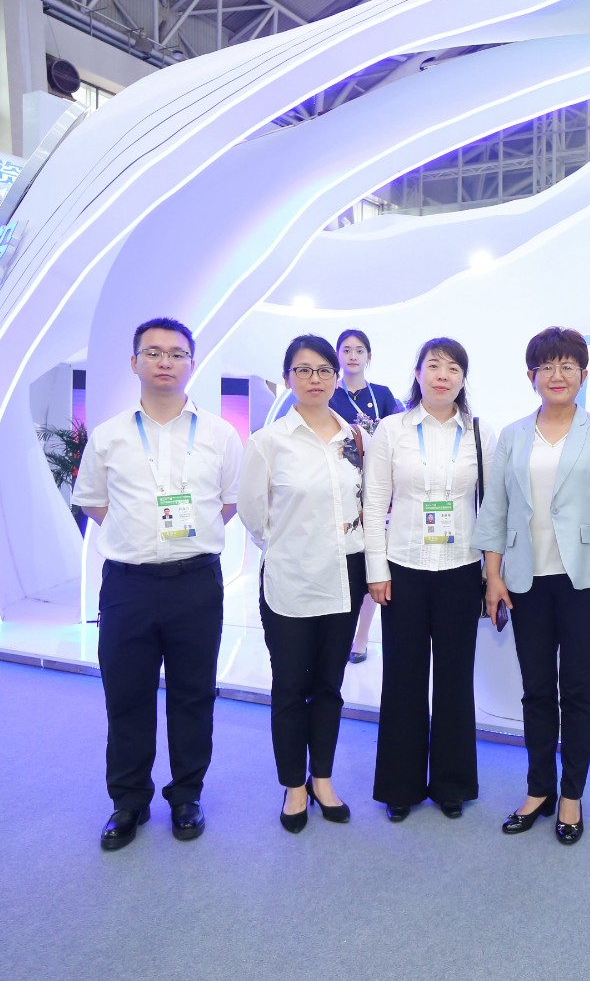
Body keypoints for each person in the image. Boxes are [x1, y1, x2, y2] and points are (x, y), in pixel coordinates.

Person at [70, 317, 242, 851]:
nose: (165, 361)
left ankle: (186, 795)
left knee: (193, 695)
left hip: (196, 583)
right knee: (127, 695)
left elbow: (228, 503)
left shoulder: (219, 434)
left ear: (192, 362)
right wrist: (137, 536)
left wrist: (182, 541)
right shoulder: (109, 435)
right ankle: (128, 801)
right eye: (153, 352)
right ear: (134, 362)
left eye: (176, 353)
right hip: (129, 586)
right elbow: (93, 502)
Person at [474, 327, 590, 845]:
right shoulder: (513, 435)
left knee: (579, 689)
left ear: (583, 375)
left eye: (567, 365)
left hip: (584, 579)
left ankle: (572, 794)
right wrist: (493, 576)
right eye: (546, 366)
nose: (557, 375)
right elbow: (495, 510)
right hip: (526, 580)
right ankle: (539, 789)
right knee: (537, 690)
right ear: (531, 376)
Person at [237, 335, 368, 834]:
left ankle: (323, 779)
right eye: (303, 370)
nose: (315, 379)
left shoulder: (355, 438)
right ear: (288, 377)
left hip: (344, 577)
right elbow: (253, 514)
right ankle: (294, 785)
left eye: (324, 370)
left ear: (337, 377)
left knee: (329, 686)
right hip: (290, 578)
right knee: (291, 687)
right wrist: (288, 544)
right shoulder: (268, 442)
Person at [363, 337, 495, 821]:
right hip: (403, 569)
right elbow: (373, 502)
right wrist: (376, 570)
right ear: (417, 373)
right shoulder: (392, 429)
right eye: (434, 365)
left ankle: (451, 784)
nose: (443, 375)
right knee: (403, 678)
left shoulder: (479, 433)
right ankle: (400, 786)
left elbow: (493, 509)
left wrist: (492, 574)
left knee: (456, 679)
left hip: (460, 568)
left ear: (463, 379)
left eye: (453, 368)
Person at [332, 330, 404, 665]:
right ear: (337, 355)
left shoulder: (384, 395)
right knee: (343, 562)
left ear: (369, 357)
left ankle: (360, 639)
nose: (352, 356)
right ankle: (339, 633)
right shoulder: (328, 394)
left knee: (372, 560)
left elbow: (400, 436)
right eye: (346, 350)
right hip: (339, 488)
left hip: (378, 488)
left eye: (359, 350)